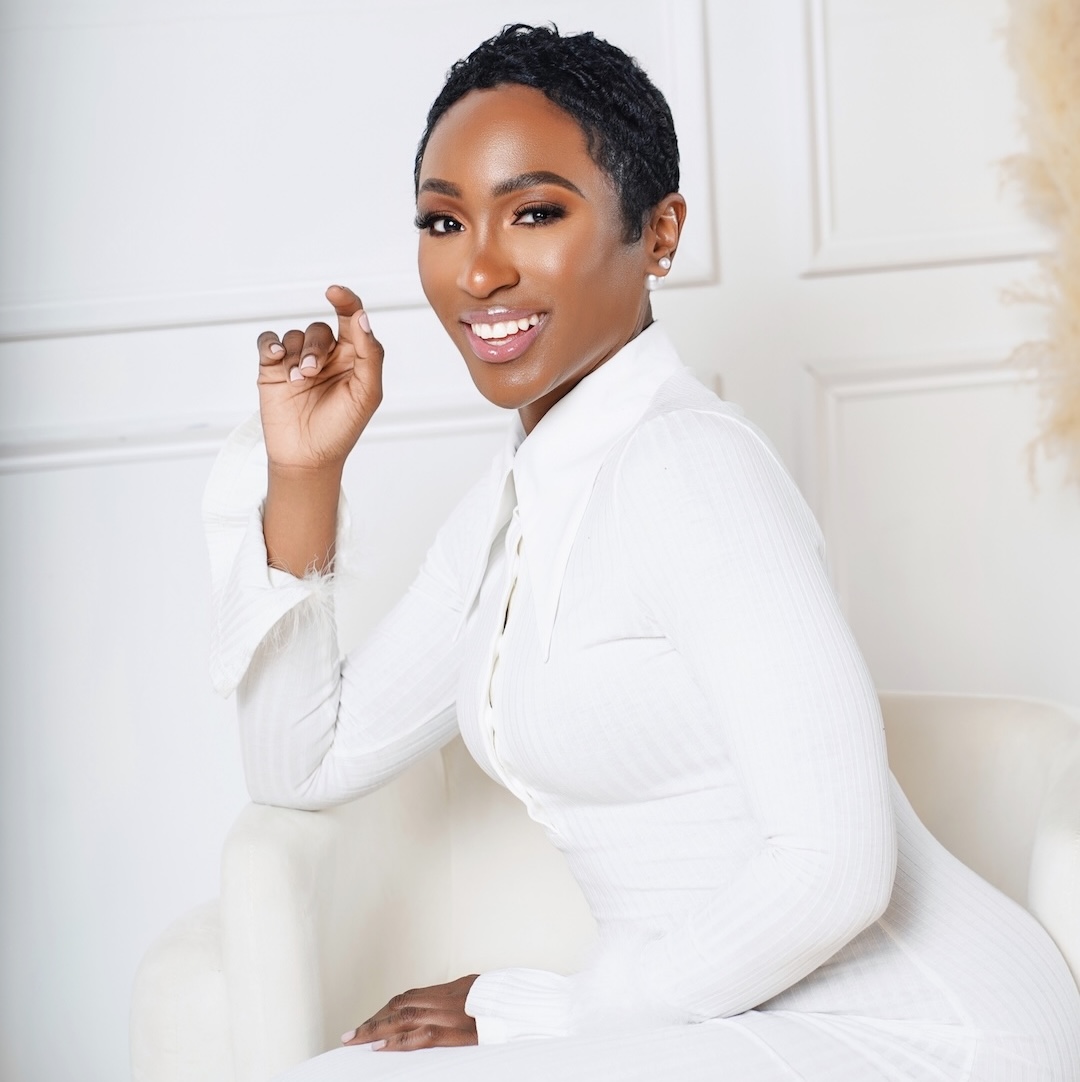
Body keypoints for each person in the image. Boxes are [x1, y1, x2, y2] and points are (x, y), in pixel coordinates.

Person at [204, 23, 1080, 1082]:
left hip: (928, 1033)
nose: (479, 269)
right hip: (717, 1022)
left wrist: (561, 1010)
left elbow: (839, 865)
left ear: (658, 232)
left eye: (535, 212)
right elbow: (300, 761)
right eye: (444, 220)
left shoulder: (691, 468)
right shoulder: (513, 504)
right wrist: (304, 475)